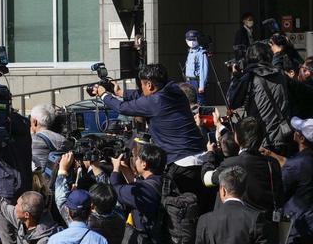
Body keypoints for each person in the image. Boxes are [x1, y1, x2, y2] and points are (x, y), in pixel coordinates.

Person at [95, 63, 207, 197]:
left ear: (149, 85)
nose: (141, 88)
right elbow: (142, 95)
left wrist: (104, 95)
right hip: (201, 156)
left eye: (142, 85)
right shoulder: (175, 90)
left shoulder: (155, 102)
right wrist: (121, 92)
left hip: (179, 161)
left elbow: (122, 107)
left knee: (178, 207)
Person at [227, 42, 293, 156]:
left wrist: (235, 77)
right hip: (282, 135)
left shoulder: (250, 77)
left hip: (260, 140)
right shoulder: (281, 75)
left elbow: (231, 102)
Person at [31, 105, 65, 173]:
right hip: (59, 180)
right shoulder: (62, 139)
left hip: (41, 181)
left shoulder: (35, 140)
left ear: (35, 122)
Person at [184, 30, 211, 106]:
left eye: (194, 40)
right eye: (189, 40)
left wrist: (202, 85)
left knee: (199, 103)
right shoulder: (190, 52)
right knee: (190, 103)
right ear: (186, 40)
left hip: (197, 82)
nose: (191, 42)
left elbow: (203, 70)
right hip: (189, 81)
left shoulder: (201, 53)